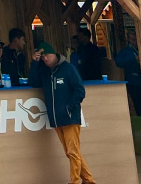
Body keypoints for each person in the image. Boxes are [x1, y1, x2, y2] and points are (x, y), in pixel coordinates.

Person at [29, 42, 95, 184]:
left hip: (70, 117)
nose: (45, 59)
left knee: (72, 152)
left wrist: (69, 107)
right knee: (71, 153)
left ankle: (75, 181)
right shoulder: (45, 72)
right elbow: (33, 82)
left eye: (47, 55)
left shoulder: (68, 69)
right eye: (42, 57)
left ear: (54, 54)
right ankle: (89, 180)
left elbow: (80, 90)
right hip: (56, 119)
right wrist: (34, 63)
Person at [115, 30, 141, 116]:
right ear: (128, 40)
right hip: (134, 82)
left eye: (136, 39)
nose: (134, 42)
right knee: (138, 104)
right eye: (132, 40)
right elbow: (118, 62)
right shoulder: (126, 51)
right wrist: (133, 58)